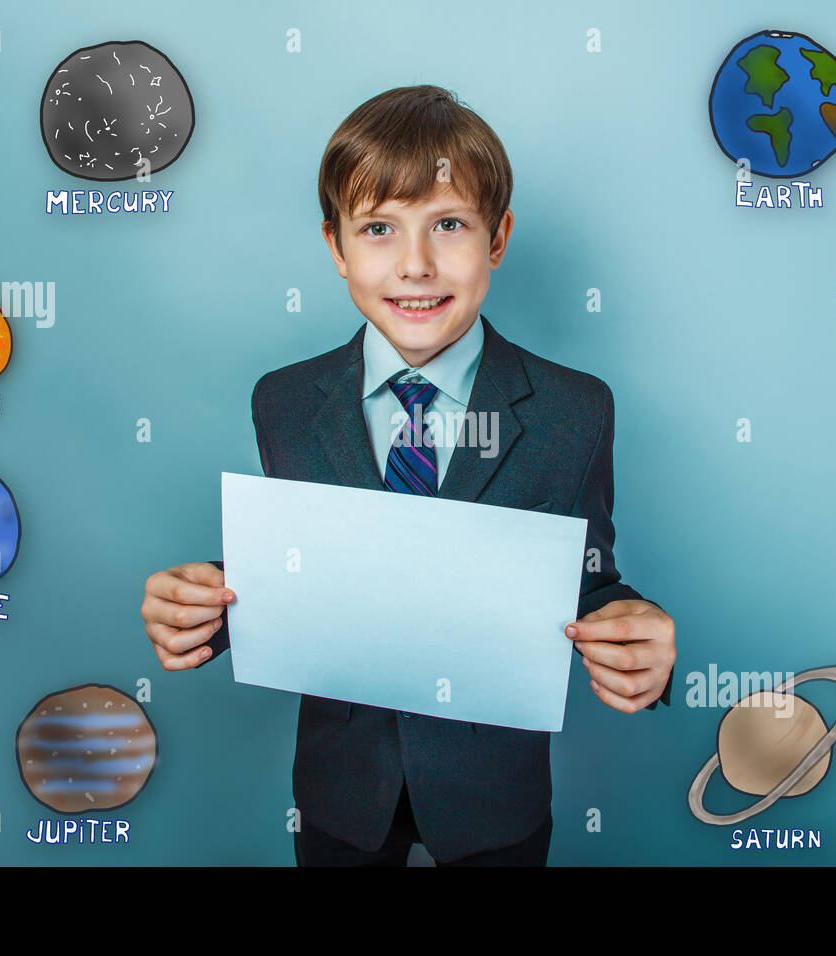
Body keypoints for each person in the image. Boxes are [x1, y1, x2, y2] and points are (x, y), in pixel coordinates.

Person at [140, 85, 677, 866]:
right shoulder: (285, 403)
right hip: (340, 791)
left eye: (449, 225)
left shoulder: (575, 410)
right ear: (336, 247)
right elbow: (306, 570)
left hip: (494, 795)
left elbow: (588, 581)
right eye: (380, 229)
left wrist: (639, 634)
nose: (416, 265)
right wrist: (206, 608)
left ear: (497, 239)